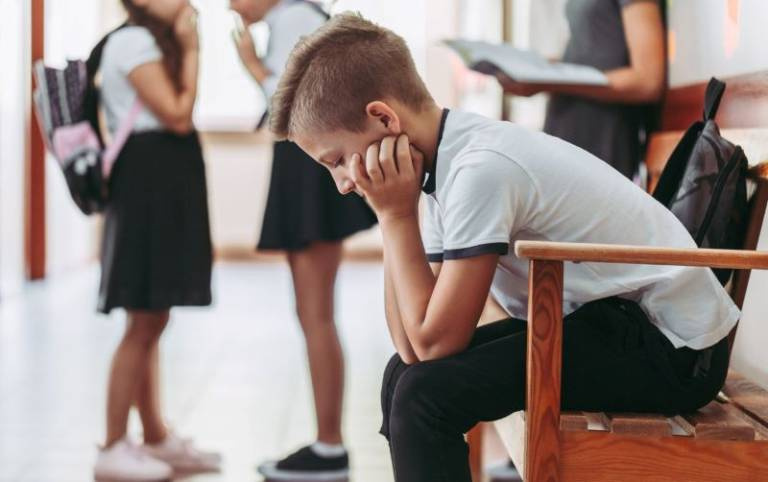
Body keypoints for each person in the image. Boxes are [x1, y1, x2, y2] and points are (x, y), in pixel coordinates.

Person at [267, 13, 739, 482]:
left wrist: (393, 216)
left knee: (424, 399)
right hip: (603, 322)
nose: (344, 184)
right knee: (401, 378)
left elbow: (435, 343)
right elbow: (412, 346)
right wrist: (395, 212)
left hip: (672, 348)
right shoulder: (442, 162)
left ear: (383, 118)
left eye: (337, 161)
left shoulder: (480, 170)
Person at [229, 1, 376, 478]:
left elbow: (293, 104)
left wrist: (252, 66)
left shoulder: (293, 19)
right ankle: (327, 442)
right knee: (314, 312)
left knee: (315, 313)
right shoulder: (293, 19)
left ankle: (330, 447)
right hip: (304, 169)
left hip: (307, 172)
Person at [94, 1, 220, 480]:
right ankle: (110, 446)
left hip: (158, 182)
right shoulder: (133, 42)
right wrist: (193, 48)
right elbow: (177, 113)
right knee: (142, 319)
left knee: (152, 316)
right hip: (147, 185)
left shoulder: (147, 40)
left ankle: (154, 436)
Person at [496, 0, 666, 180]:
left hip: (603, 135)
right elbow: (591, 53)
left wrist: (552, 81)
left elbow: (648, 81)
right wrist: (537, 69)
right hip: (567, 130)